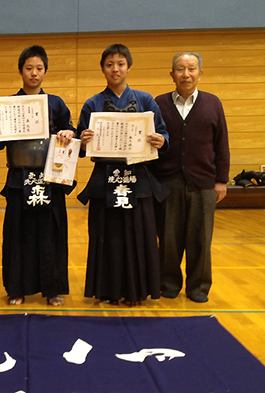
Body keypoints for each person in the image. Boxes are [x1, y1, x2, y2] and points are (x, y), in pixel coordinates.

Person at [0, 45, 76, 306]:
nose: (34, 73)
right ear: (21, 71)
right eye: (29, 68)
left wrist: (69, 133)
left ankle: (52, 289)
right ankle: (17, 288)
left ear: (45, 71)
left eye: (39, 69)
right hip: (18, 178)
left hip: (50, 178)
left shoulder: (55, 103)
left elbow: (71, 130)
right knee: (17, 233)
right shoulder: (7, 105)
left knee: (51, 234)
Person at [77, 44, 169, 306]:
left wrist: (160, 139)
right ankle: (106, 291)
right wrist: (83, 140)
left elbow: (163, 133)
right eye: (109, 64)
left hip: (138, 180)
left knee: (138, 235)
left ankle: (136, 291)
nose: (115, 69)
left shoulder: (145, 101)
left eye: (120, 64)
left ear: (128, 66)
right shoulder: (92, 104)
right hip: (104, 180)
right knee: (106, 237)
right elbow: (80, 145)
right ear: (102, 68)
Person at [151, 52, 230, 303]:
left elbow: (222, 145)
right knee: (169, 239)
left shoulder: (213, 103)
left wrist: (221, 181)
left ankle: (198, 287)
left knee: (200, 240)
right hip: (167, 182)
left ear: (200, 73)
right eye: (180, 69)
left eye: (191, 69)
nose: (186, 74)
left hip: (203, 184)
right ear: (171, 74)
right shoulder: (159, 104)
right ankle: (169, 284)